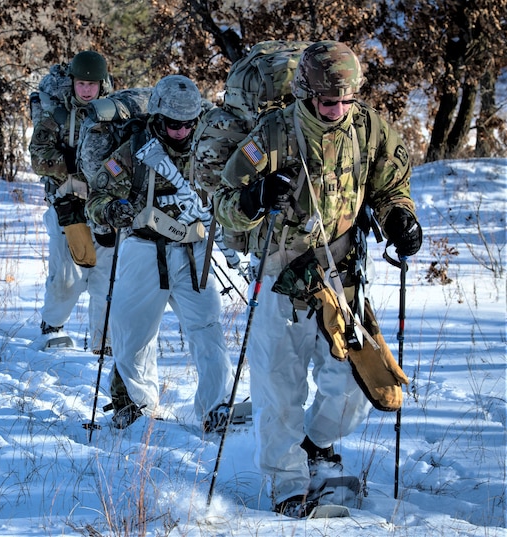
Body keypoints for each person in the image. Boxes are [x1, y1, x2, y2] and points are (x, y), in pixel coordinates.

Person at [213, 40, 422, 517]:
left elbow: (392, 187)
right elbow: (225, 203)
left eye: (347, 100)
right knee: (279, 389)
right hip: (280, 275)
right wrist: (253, 199)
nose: (338, 110)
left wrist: (401, 219)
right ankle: (288, 486)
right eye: (329, 101)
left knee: (358, 388)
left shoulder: (369, 129)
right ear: (307, 92)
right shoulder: (272, 133)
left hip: (342, 279)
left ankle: (315, 445)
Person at [86, 74, 234, 431]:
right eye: (172, 124)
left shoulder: (210, 147)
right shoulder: (134, 152)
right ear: (156, 117)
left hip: (194, 250)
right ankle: (135, 406)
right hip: (143, 251)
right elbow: (96, 199)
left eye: (188, 124)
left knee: (208, 331)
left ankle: (215, 409)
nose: (181, 132)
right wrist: (111, 211)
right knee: (132, 334)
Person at [29, 50, 116, 353]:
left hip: (104, 207)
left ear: (102, 84)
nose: (87, 90)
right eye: (81, 84)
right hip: (67, 203)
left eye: (93, 85)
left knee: (106, 277)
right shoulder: (56, 114)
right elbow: (39, 158)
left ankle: (103, 342)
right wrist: (70, 167)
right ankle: (52, 326)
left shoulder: (115, 113)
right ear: (72, 83)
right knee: (66, 277)